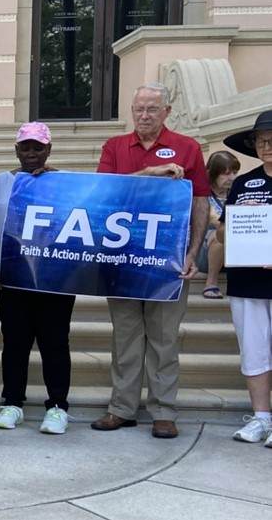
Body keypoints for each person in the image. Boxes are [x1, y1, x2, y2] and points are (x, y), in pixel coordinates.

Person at [91, 82, 209, 439]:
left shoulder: (188, 148)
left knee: (163, 338)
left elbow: (201, 201)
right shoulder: (114, 147)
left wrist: (194, 252)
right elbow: (105, 192)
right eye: (139, 109)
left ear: (167, 113)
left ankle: (163, 411)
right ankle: (122, 408)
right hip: (123, 259)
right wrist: (150, 174)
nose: (144, 116)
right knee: (126, 336)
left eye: (152, 110)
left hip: (168, 262)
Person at [0, 122, 76, 434]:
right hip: (12, 277)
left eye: (38, 147)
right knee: (15, 341)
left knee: (55, 342)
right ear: (16, 149)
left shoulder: (65, 182)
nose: (31, 153)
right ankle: (13, 403)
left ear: (49, 149)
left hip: (55, 277)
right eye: (25, 147)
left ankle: (58, 407)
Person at [217, 110, 272, 446]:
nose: (268, 146)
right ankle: (261, 418)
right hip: (247, 281)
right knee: (253, 350)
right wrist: (234, 230)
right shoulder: (243, 182)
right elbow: (222, 232)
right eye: (263, 141)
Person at [200, 151, 240, 299]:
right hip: (204, 252)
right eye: (226, 174)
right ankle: (211, 282)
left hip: (236, 249)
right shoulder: (201, 194)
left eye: (235, 172)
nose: (232, 178)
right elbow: (215, 220)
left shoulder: (237, 191)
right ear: (211, 173)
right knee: (222, 234)